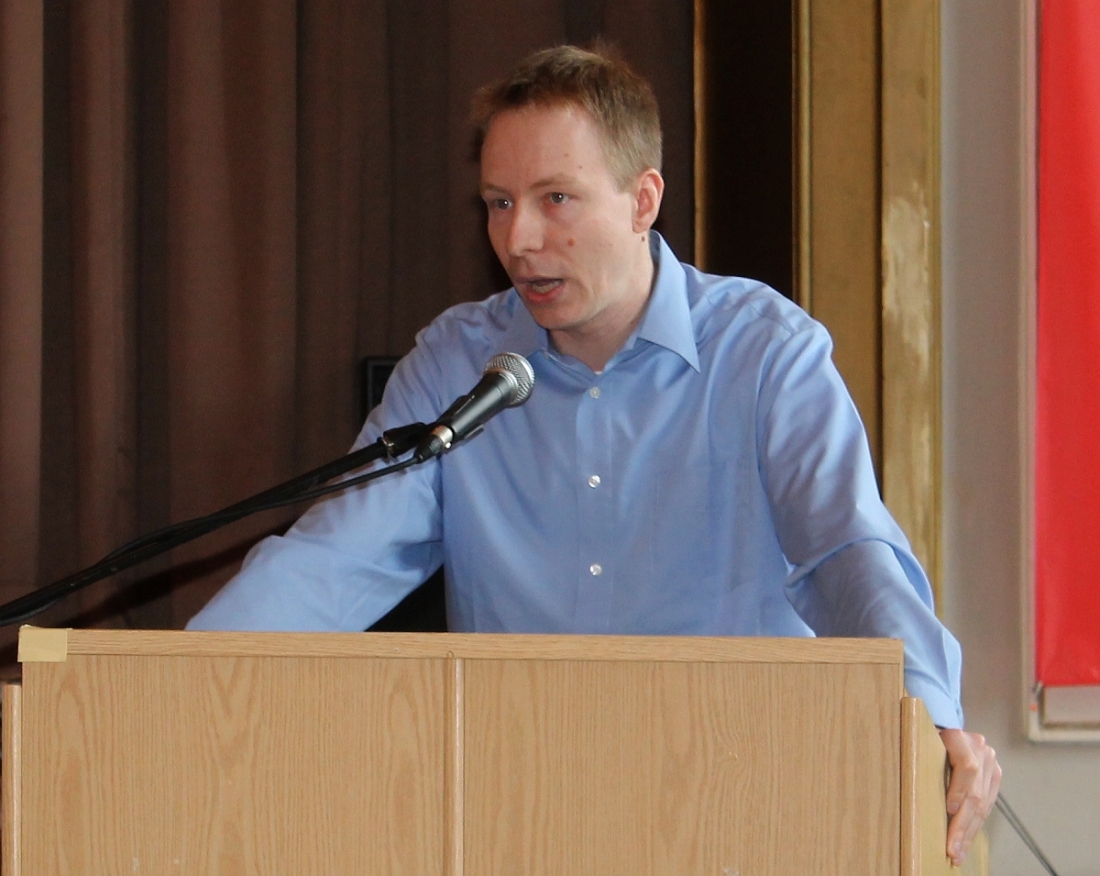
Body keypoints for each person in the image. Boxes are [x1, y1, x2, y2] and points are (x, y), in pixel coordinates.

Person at [188, 44, 1000, 864]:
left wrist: (929, 713)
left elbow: (846, 551)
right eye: (498, 203)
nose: (518, 238)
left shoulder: (764, 354)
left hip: (737, 809)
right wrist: (182, 684)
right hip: (518, 814)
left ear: (643, 200)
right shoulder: (456, 366)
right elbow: (335, 560)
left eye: (556, 199)